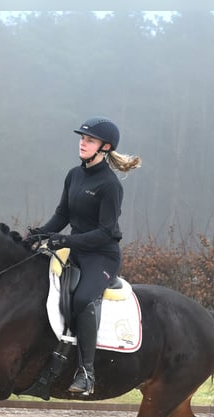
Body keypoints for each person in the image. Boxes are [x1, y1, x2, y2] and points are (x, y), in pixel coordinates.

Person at [28, 116, 141, 396]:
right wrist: (39, 234)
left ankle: (86, 373)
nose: (82, 143)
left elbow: (105, 232)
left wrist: (65, 239)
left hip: (101, 257)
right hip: (76, 250)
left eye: (88, 140)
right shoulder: (74, 175)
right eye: (81, 138)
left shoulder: (110, 186)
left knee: (81, 299)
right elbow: (62, 215)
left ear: (104, 147)